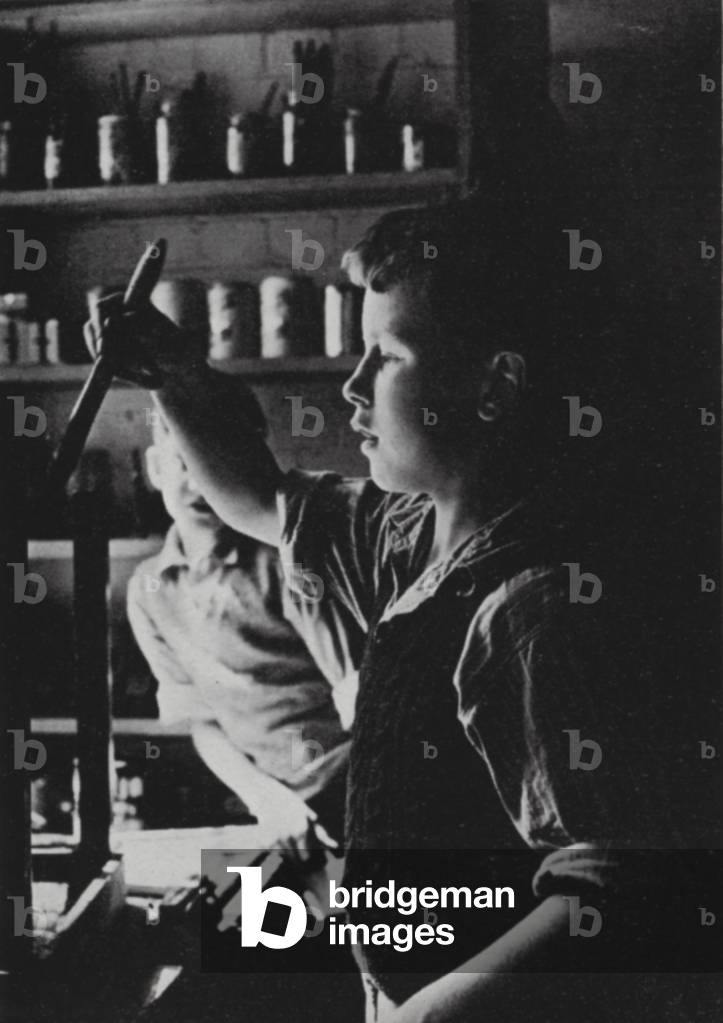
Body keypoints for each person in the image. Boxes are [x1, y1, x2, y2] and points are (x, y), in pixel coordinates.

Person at [88, 200, 709, 1021]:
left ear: (495, 385)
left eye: (384, 355)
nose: (351, 386)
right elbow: (256, 493)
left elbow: (608, 892)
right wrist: (170, 376)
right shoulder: (405, 534)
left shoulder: (533, 605)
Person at [127, 404, 350, 851]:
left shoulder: (288, 562)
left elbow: (358, 695)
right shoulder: (150, 589)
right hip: (269, 801)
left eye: (215, 465)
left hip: (353, 781)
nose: (199, 484)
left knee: (369, 917)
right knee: (233, 916)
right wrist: (267, 800)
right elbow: (200, 721)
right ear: (155, 468)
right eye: (182, 464)